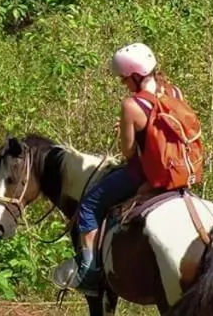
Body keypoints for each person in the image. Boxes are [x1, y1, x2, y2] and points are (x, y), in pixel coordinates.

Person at [68, 42, 184, 292]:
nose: (124, 84)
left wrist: (124, 129)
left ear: (134, 75)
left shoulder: (132, 106)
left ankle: (89, 274)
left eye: (124, 80)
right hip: (178, 172)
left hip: (143, 173)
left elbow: (129, 151)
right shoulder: (174, 92)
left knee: (88, 206)